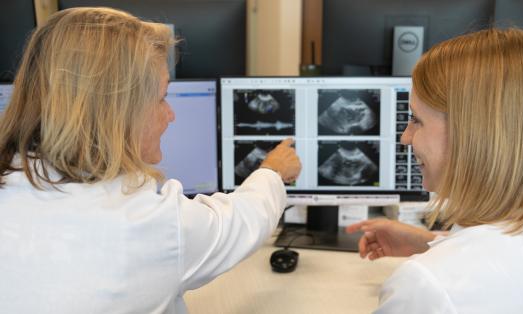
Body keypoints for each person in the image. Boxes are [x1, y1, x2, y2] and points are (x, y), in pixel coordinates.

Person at [0, 7, 301, 313]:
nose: (170, 115)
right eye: (160, 98)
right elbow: (241, 221)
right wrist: (272, 171)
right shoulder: (145, 225)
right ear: (117, 114)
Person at [347, 28, 523, 313]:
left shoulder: (426, 287)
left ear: (471, 133)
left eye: (416, 119)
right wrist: (429, 243)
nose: (405, 137)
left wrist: (437, 261)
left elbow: (459, 279)